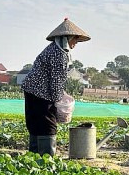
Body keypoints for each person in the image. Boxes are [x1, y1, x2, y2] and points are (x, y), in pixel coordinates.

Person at [21, 18, 90, 156]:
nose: (75, 43)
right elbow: (56, 81)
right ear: (67, 38)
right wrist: (59, 102)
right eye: (75, 40)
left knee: (35, 125)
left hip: (31, 91)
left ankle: (33, 159)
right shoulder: (59, 54)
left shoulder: (51, 49)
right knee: (48, 125)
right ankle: (46, 159)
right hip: (41, 93)